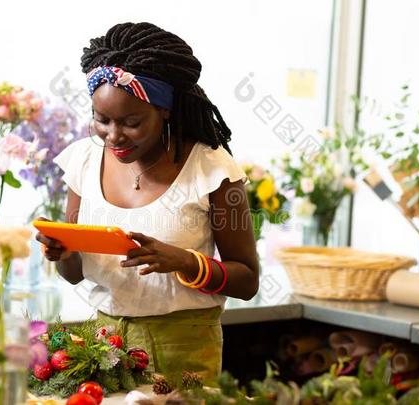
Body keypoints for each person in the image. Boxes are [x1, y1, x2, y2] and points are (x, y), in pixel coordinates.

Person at [36, 22, 259, 380]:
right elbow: (74, 275)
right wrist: (62, 252)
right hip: (104, 350)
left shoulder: (213, 170)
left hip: (184, 351)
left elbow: (247, 282)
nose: (113, 135)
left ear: (165, 110)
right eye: (102, 119)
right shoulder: (82, 162)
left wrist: (185, 262)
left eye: (132, 122)